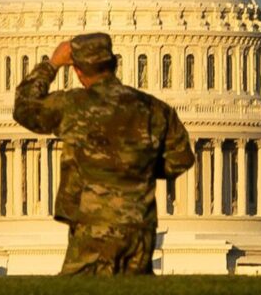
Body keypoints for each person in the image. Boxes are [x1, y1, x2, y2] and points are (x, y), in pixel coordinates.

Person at [13, 32, 193, 275]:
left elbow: (25, 108)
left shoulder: (72, 105)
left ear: (77, 71)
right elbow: (181, 158)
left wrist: (52, 64)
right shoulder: (154, 108)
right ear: (114, 64)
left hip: (91, 225)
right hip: (139, 225)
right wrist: (139, 169)